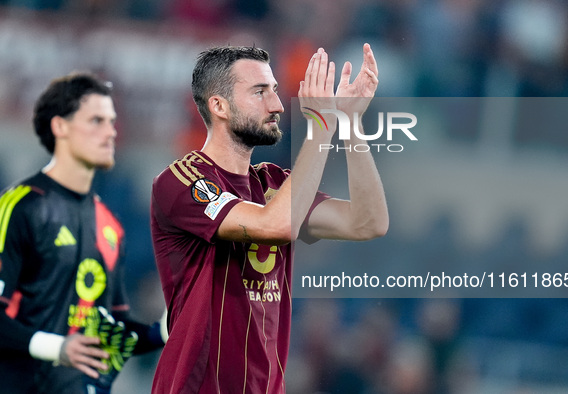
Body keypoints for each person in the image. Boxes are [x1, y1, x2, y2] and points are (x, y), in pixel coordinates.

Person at [150, 43, 388, 393]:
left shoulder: (276, 183)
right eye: (260, 92)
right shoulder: (182, 181)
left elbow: (368, 222)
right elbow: (274, 226)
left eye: (275, 90)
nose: (277, 104)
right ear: (219, 106)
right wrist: (321, 126)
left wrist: (349, 123)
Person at [0, 73, 167, 394]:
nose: (110, 132)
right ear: (60, 127)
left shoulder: (109, 225)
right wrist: (58, 348)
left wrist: (161, 332)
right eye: (96, 121)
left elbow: (109, 329)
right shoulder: (20, 206)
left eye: (112, 121)